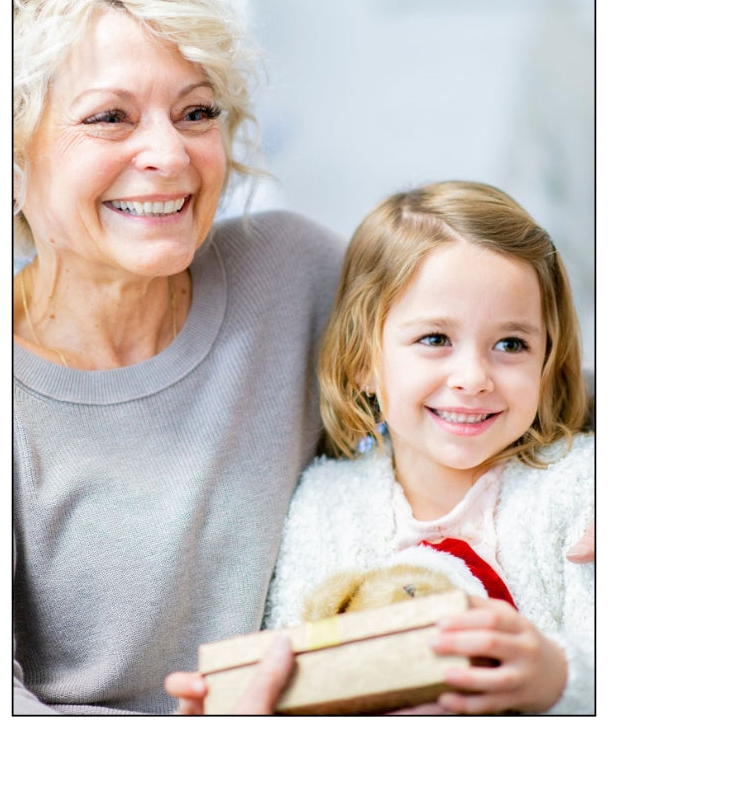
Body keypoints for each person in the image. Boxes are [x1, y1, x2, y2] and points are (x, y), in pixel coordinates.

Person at [13, 0, 344, 714]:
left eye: (196, 113)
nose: (169, 153)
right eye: (109, 119)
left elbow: (518, 376)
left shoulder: (292, 271)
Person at [171, 182, 594, 715]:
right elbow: (301, 661)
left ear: (547, 359)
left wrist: (558, 679)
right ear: (362, 361)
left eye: (511, 344)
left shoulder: (580, 494)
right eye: (435, 339)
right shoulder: (325, 507)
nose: (473, 377)